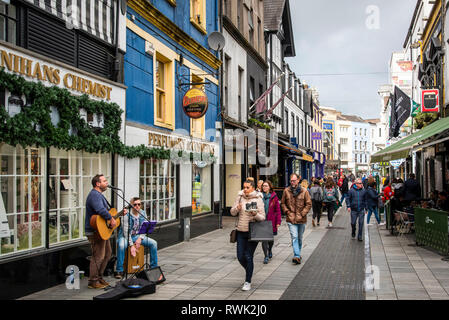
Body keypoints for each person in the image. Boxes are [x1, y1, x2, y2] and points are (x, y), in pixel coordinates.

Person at [85, 174, 126, 289]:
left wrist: (117, 215)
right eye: (104, 181)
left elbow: (106, 211)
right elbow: (100, 210)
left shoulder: (99, 195)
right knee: (98, 256)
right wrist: (110, 218)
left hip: (101, 230)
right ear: (98, 184)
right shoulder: (94, 195)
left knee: (107, 254)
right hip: (95, 231)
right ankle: (92, 281)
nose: (107, 183)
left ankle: (99, 277)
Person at [230, 179, 266, 291]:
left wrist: (255, 214)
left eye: (247, 187)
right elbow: (232, 212)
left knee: (248, 255)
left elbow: (262, 217)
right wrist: (237, 208)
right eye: (244, 187)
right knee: (240, 256)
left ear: (253, 188)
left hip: (253, 232)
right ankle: (249, 271)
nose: (245, 190)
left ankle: (248, 281)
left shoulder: (258, 199)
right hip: (241, 231)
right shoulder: (240, 197)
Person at [115, 197, 158, 279]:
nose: (137, 206)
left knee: (154, 243)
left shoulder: (143, 213)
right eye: (135, 204)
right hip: (125, 236)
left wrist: (140, 239)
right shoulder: (126, 215)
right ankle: (119, 270)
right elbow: (126, 232)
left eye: (139, 204)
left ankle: (153, 267)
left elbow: (145, 228)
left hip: (137, 236)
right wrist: (131, 246)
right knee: (121, 246)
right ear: (131, 205)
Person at [281, 173, 312, 265]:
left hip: (301, 218)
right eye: (291, 181)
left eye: (294, 180)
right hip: (291, 218)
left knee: (300, 238)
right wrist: (287, 212)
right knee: (294, 237)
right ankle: (297, 256)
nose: (292, 182)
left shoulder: (304, 191)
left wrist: (302, 213)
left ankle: (297, 253)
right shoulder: (286, 191)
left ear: (298, 180)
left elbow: (308, 204)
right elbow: (282, 203)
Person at [261, 180, 281, 264]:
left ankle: (270, 249)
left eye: (266, 186)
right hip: (262, 220)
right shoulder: (259, 196)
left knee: (270, 239)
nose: (264, 187)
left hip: (271, 221)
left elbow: (278, 210)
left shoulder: (274, 196)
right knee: (263, 239)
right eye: (263, 186)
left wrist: (278, 222)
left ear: (269, 187)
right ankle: (266, 256)